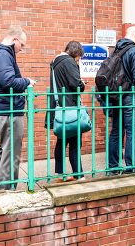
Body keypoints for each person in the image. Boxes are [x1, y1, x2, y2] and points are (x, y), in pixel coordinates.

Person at [0, 25, 36, 191]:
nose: (21, 49)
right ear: (14, 39)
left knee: (4, 150)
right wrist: (27, 82)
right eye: (22, 45)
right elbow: (8, 81)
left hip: (3, 108)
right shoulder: (3, 54)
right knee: (11, 153)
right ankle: (6, 190)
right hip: (9, 109)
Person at [108, 26, 135, 174]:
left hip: (116, 96)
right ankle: (131, 167)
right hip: (132, 97)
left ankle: (112, 167)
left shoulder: (115, 51)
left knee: (116, 132)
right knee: (132, 132)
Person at [47, 41, 86, 182]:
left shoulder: (55, 62)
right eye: (79, 57)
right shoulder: (69, 62)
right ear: (75, 53)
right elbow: (76, 84)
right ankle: (78, 174)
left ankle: (61, 173)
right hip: (70, 107)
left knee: (62, 141)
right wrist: (81, 83)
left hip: (59, 107)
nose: (78, 59)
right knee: (75, 142)